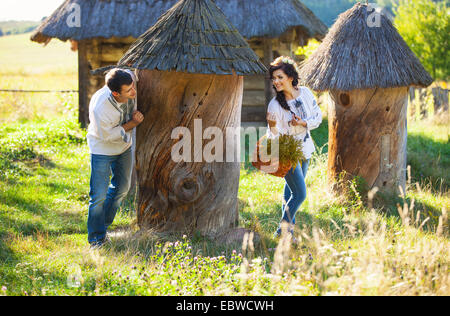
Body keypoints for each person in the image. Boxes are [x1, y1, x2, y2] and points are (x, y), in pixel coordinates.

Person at [86, 68, 144, 248]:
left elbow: (129, 68)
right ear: (115, 93)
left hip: (124, 147)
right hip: (103, 149)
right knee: (98, 196)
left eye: (133, 87)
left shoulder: (126, 79)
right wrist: (133, 123)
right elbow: (108, 135)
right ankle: (96, 239)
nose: (134, 92)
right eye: (129, 91)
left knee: (122, 188)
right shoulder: (100, 108)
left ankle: (102, 226)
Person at [266, 56, 322, 238]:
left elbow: (318, 118)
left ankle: (288, 234)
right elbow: (272, 135)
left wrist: (303, 123)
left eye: (280, 77)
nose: (276, 81)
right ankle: (281, 230)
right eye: (274, 78)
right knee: (300, 194)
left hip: (305, 150)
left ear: (290, 77)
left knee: (291, 192)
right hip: (288, 153)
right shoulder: (274, 106)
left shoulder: (305, 93)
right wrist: (273, 129)